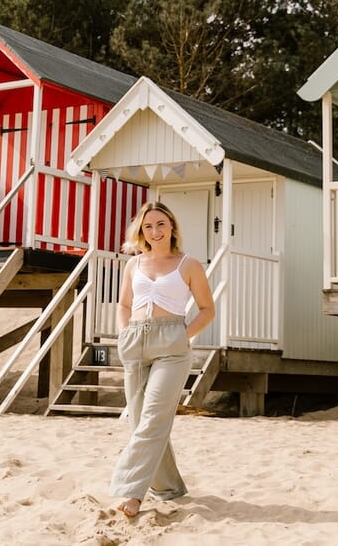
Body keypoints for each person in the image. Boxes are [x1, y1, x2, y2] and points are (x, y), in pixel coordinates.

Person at [110, 201, 215, 518]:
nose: (155, 231)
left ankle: (131, 491)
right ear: (141, 231)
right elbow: (124, 304)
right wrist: (123, 332)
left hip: (172, 344)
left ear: (172, 227)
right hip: (135, 341)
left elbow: (207, 309)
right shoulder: (134, 265)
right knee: (139, 421)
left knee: (154, 417)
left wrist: (184, 336)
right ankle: (169, 489)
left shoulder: (188, 264)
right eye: (148, 226)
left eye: (160, 224)